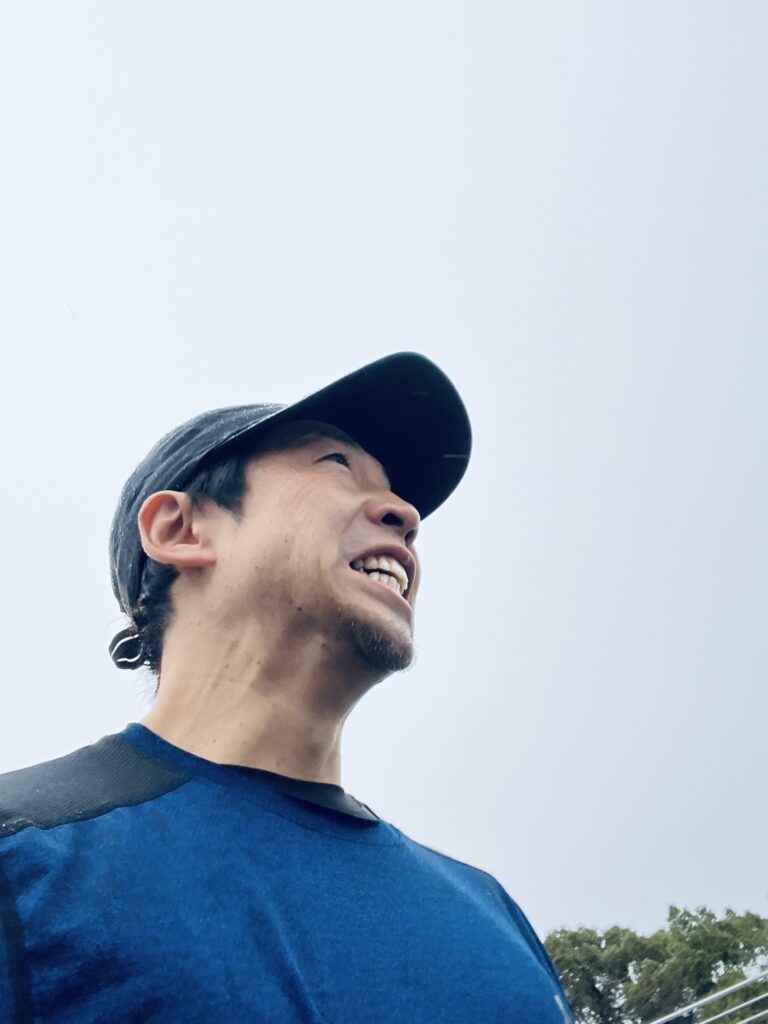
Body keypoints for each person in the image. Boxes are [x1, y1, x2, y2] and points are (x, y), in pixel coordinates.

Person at [0, 353, 573, 1023]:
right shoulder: (23, 856)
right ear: (180, 530)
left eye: (396, 493)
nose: (406, 514)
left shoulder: (494, 918)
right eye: (336, 464)